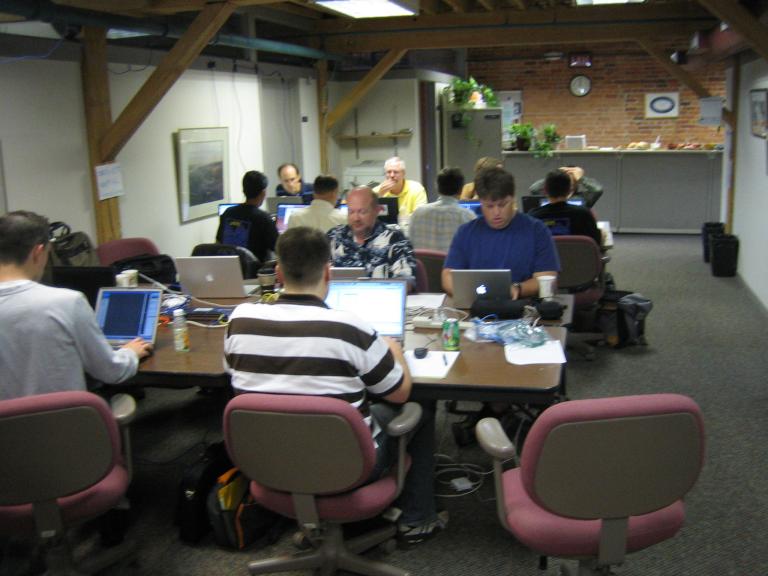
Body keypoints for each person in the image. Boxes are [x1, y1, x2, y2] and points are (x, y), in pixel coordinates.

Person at [224, 226, 446, 546]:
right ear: (329, 273)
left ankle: (310, 521)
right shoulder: (350, 327)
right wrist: (395, 351)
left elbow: (232, 374)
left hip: (267, 460)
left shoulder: (239, 319)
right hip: (349, 465)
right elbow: (399, 393)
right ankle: (418, 519)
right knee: (420, 406)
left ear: (278, 273)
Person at [0, 211, 152, 400]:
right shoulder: (67, 303)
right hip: (67, 417)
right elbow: (112, 371)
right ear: (38, 252)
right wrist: (130, 352)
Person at [442, 167, 559, 300]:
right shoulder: (466, 232)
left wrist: (518, 289)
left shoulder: (537, 230)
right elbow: (447, 276)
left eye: (502, 205)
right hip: (475, 306)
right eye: (489, 206)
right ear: (480, 202)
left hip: (522, 305)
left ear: (513, 199)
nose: (496, 213)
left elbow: (547, 277)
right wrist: (467, 293)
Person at [328, 186, 416, 282]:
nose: (356, 218)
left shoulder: (395, 239)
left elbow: (407, 282)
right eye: (351, 212)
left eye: (362, 212)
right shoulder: (334, 236)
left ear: (377, 211)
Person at [408, 167, 475, 252]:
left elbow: (410, 247)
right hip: (453, 261)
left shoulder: (417, 214)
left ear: (437, 186)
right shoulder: (468, 218)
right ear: (461, 190)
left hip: (423, 261)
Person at [216, 171, 278, 263]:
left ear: (244, 190)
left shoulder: (228, 213)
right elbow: (278, 249)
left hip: (229, 267)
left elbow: (218, 243)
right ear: (263, 193)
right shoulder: (264, 219)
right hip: (255, 270)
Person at [529, 169, 602, 246]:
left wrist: (555, 175)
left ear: (545, 190)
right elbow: (596, 243)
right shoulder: (584, 214)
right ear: (569, 190)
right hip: (576, 253)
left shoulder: (533, 216)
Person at [529, 165, 603, 208]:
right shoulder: (550, 196)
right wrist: (554, 176)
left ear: (576, 182)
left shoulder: (583, 198)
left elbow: (598, 189)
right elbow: (534, 189)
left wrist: (581, 178)